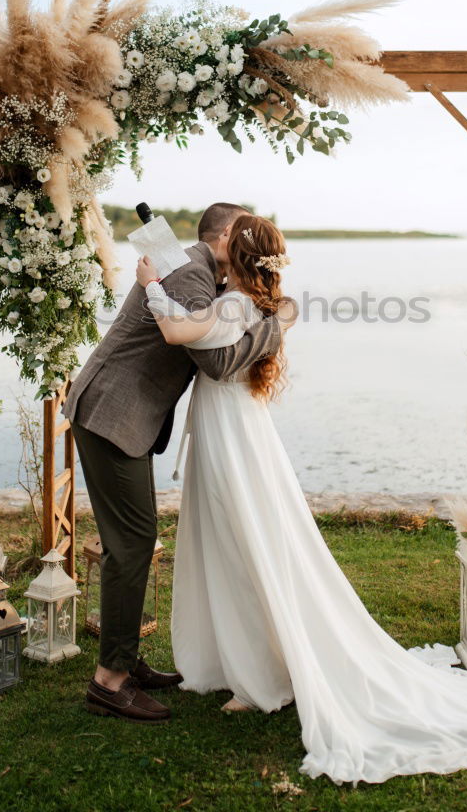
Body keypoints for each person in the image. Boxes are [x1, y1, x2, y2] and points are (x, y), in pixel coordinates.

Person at [136, 211, 467, 786]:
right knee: (233, 538)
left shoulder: (235, 306)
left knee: (244, 542)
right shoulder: (252, 304)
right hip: (233, 428)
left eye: (224, 247)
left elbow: (176, 333)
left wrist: (151, 287)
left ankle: (261, 678)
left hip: (233, 436)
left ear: (234, 257)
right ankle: (240, 662)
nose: (215, 253)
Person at [63, 202, 294, 723]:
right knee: (132, 544)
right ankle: (110, 681)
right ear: (230, 235)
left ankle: (124, 660)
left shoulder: (194, 268)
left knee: (134, 540)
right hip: (111, 415)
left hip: (121, 416)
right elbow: (214, 359)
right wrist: (275, 325)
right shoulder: (191, 273)